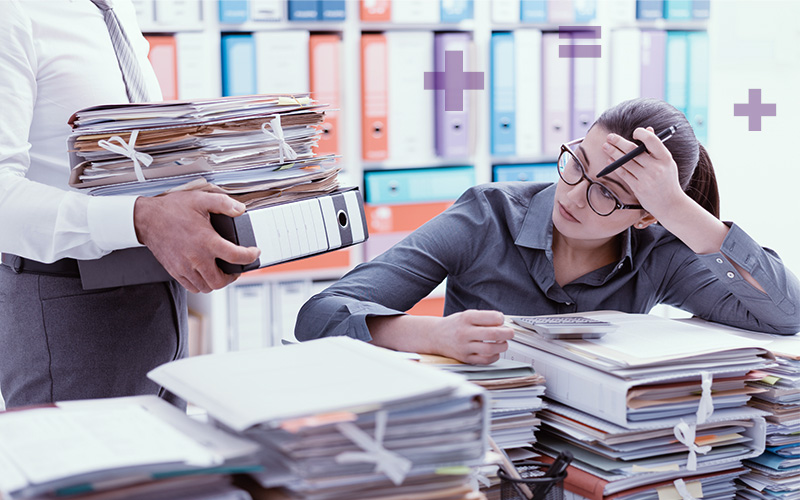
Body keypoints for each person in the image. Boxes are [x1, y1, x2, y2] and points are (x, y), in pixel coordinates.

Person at [296, 98, 800, 364]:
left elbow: (786, 316)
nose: (574, 194)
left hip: (605, 460)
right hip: (488, 455)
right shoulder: (486, 215)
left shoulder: (660, 247)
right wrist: (433, 334)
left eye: (608, 193)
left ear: (646, 216)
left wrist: (677, 208)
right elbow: (318, 316)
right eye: (576, 162)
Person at [0, 0, 259, 409]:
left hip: (157, 297)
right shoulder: (12, 12)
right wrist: (141, 218)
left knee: (166, 468)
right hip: (68, 303)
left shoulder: (114, 8)